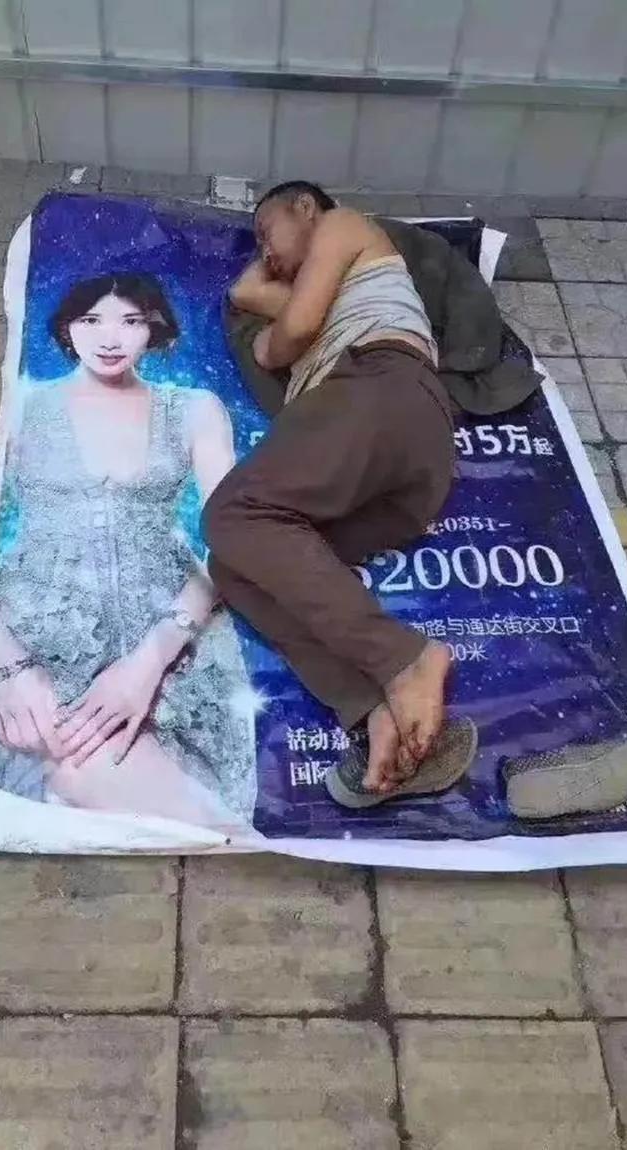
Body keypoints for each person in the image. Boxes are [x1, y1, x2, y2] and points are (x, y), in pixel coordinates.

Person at [204, 181, 475, 804]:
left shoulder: (344, 224)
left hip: (379, 387)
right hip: (406, 469)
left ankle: (405, 658)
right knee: (236, 566)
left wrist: (275, 333)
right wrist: (272, 306)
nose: (264, 253)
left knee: (234, 514)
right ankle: (370, 707)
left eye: (265, 231)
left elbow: (288, 332)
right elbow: (268, 303)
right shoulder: (337, 290)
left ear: (305, 207)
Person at [0, 272, 257, 824]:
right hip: (38, 638)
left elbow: (235, 538)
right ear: (67, 328)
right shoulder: (24, 410)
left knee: (156, 786)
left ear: (154, 329)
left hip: (173, 632)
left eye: (130, 321)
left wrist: (148, 662)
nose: (110, 338)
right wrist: (4, 663)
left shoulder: (193, 409)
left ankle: (239, 844)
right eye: (91, 320)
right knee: (72, 759)